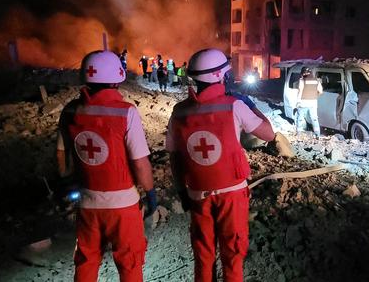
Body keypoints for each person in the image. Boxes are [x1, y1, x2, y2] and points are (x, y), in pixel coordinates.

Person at [166, 48, 275, 282]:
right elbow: (268, 134)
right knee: (233, 254)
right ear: (219, 76)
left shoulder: (179, 111)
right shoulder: (234, 106)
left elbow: (174, 157)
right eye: (227, 74)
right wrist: (251, 105)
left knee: (203, 254)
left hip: (197, 194)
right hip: (232, 195)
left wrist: (180, 191)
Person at [56, 50, 157, 282]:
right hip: (123, 207)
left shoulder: (69, 111)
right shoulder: (126, 112)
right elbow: (140, 163)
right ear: (116, 78)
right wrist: (150, 193)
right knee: (130, 262)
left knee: (86, 260)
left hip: (87, 202)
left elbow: (61, 154)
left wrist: (64, 182)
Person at [296, 66, 323, 137]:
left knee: (300, 118)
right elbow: (320, 92)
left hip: (303, 103)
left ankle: (298, 134)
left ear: (303, 73)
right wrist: (314, 96)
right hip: (313, 103)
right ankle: (317, 134)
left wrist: (298, 102)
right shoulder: (317, 80)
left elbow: (300, 91)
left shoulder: (302, 80)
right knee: (314, 119)